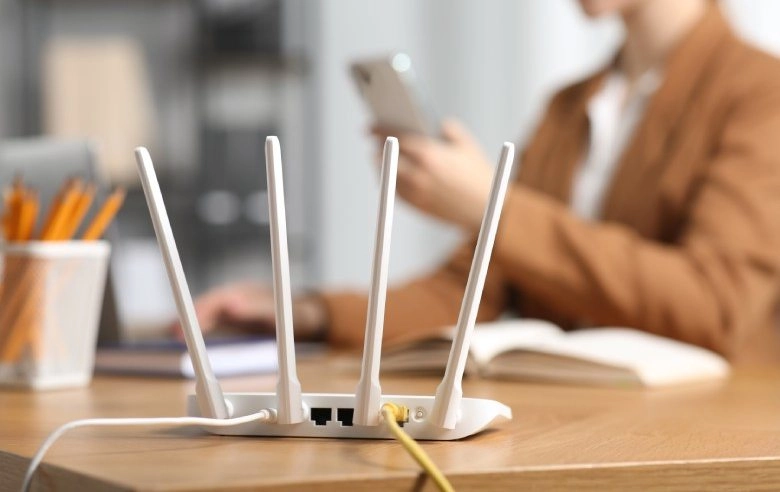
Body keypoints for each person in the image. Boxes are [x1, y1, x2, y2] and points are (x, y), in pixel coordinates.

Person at [183, 0, 780, 363]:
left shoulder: (760, 93)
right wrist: (309, 313)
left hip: (705, 438)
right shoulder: (570, 106)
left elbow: (717, 305)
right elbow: (471, 292)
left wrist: (493, 207)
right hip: (576, 421)